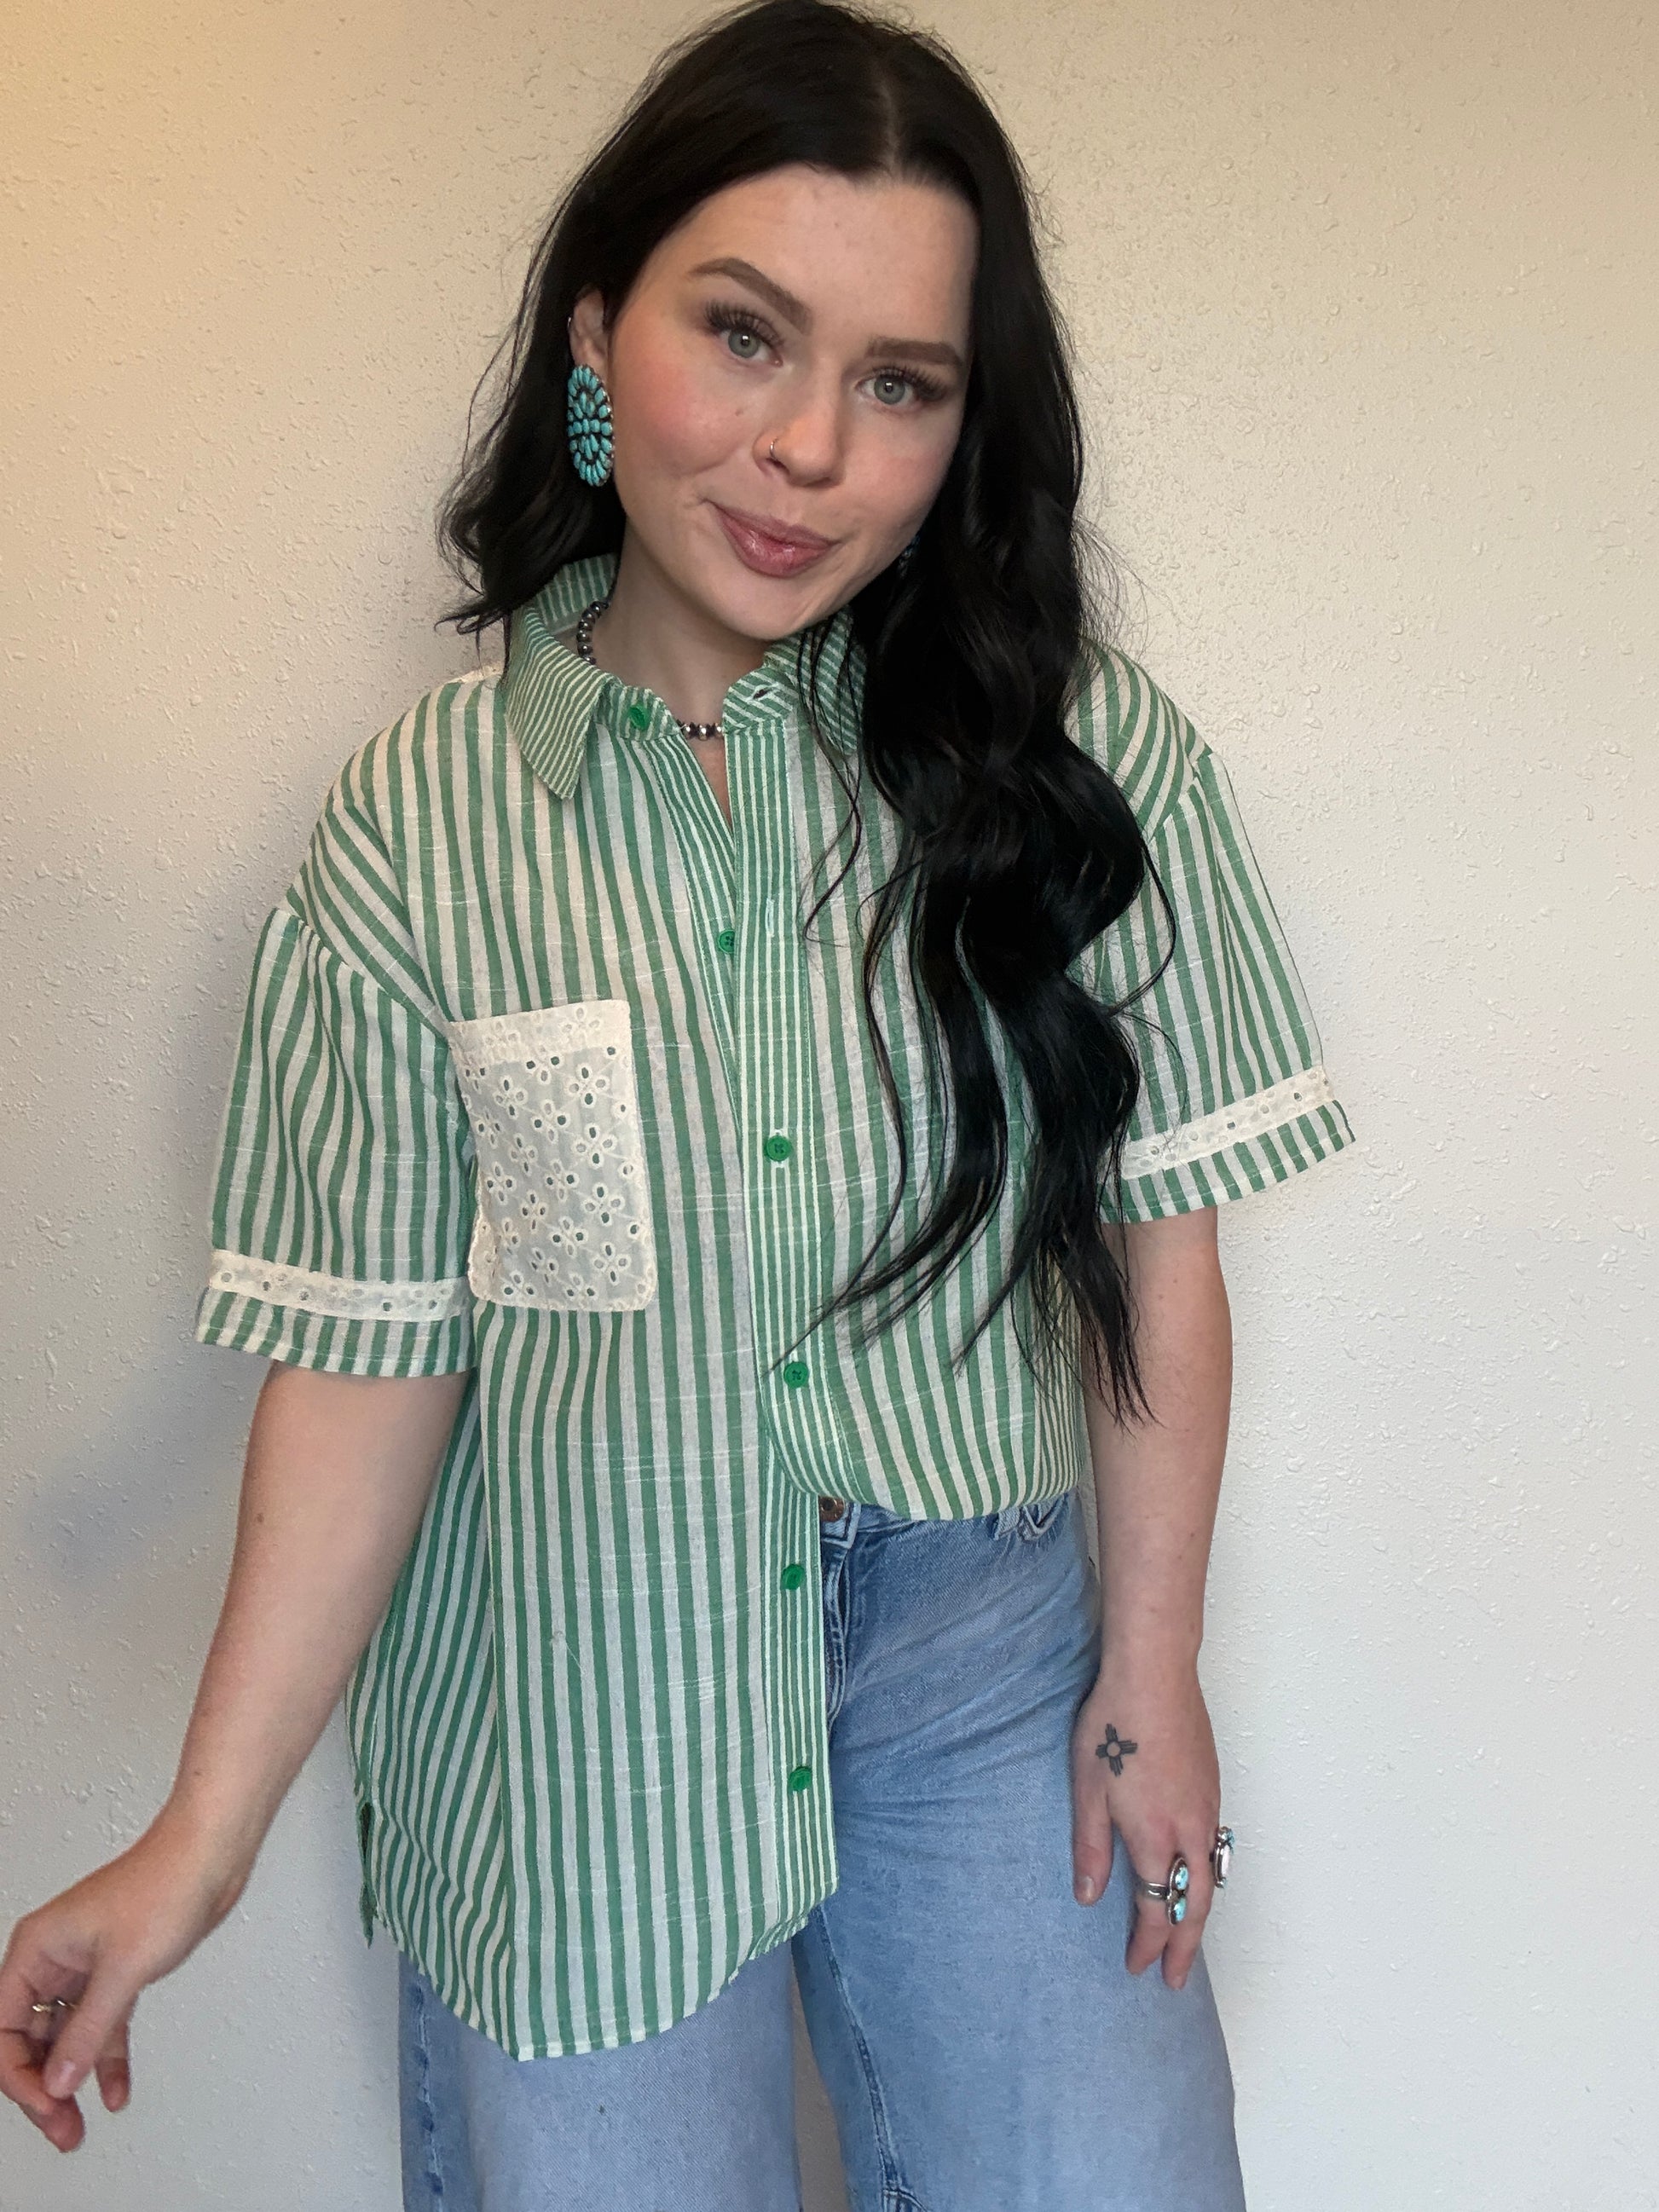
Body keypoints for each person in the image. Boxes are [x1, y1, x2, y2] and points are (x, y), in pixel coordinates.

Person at [0, 2, 1354, 2203]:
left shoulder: (1074, 764)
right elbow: (367, 1374)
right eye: (744, 335)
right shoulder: (419, 837)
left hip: (987, 1663)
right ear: (595, 334)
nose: (808, 447)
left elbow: (1152, 1254)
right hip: (580, 1682)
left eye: (899, 383)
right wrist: (197, 1844)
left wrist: (1148, 1668)